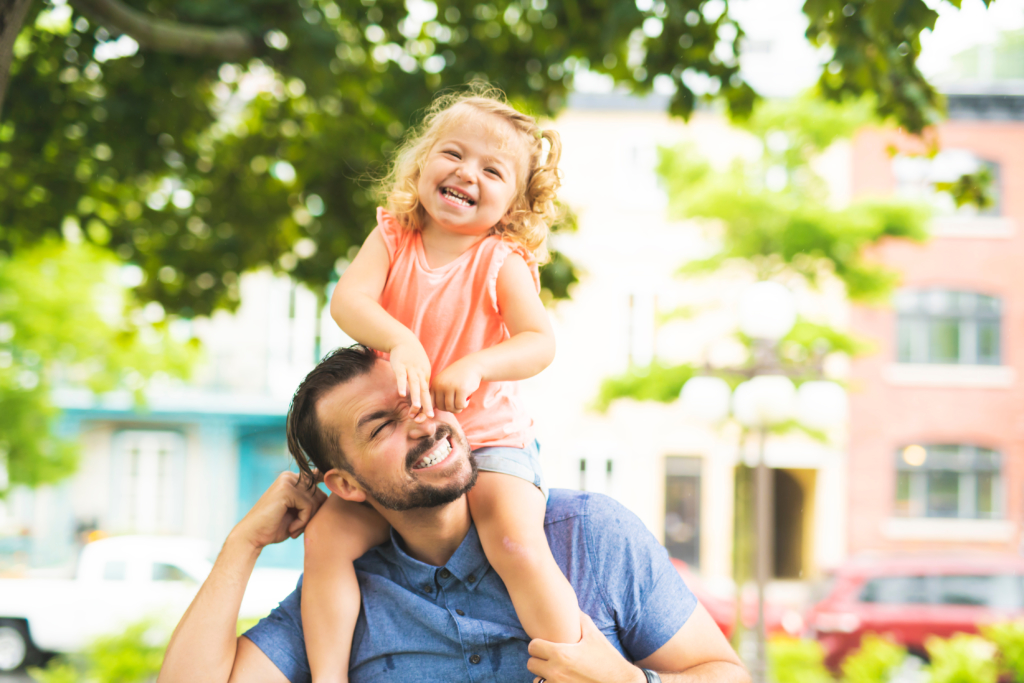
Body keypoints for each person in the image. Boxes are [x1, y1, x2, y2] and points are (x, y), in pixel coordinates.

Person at [158, 345, 750, 683]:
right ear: (344, 483)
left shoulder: (589, 535)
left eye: (416, 400)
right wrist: (243, 544)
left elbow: (724, 673)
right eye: (382, 424)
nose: (421, 420)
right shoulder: (337, 600)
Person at [302, 86, 578, 683]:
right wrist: (401, 340)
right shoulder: (393, 236)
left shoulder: (499, 261)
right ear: (423, 162)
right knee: (326, 539)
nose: (466, 173)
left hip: (487, 438)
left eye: (492, 169)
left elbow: (538, 341)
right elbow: (348, 300)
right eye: (453, 154)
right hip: (408, 449)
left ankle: (573, 664)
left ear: (512, 203)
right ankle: (328, 677)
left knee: (514, 544)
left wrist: (478, 365)